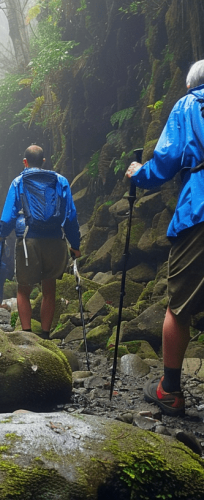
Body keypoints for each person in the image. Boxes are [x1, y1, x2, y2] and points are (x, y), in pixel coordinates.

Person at [126, 59, 204, 417]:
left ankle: (170, 390)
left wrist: (138, 174)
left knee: (179, 305)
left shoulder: (190, 104)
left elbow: (167, 160)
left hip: (199, 210)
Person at [0, 145, 81, 337]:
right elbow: (70, 217)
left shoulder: (19, 181)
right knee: (49, 289)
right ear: (44, 161)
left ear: (25, 162)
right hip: (55, 240)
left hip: (29, 240)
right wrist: (75, 245)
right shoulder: (60, 181)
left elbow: (8, 216)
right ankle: (45, 335)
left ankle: (27, 334)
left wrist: (2, 235)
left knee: (23, 289)